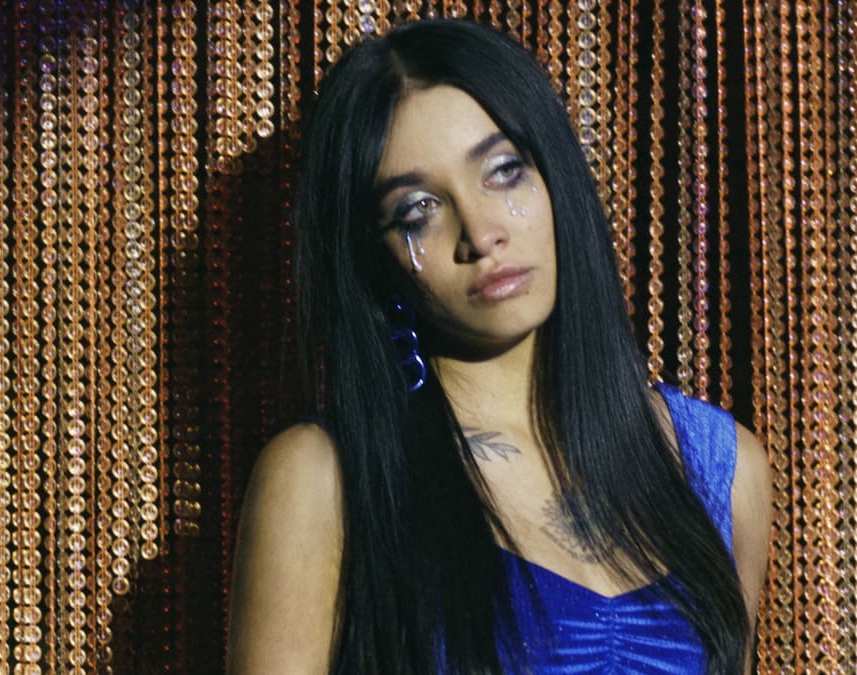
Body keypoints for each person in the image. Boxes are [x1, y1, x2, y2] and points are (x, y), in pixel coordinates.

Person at [228, 19, 772, 675]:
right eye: (418, 210)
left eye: (505, 172)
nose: (481, 233)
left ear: (556, 177)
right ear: (374, 258)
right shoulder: (324, 480)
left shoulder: (720, 470)